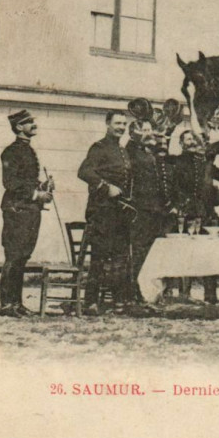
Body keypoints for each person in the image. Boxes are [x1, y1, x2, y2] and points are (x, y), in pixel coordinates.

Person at [0, 110, 53, 317]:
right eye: (29, 122)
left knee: (22, 257)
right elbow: (10, 183)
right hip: (16, 210)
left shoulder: (27, 150)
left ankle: (17, 303)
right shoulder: (11, 152)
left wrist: (43, 186)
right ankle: (7, 305)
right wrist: (36, 194)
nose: (34, 125)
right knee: (13, 256)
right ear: (19, 127)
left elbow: (26, 180)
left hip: (28, 211)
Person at [77, 111, 132, 315]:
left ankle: (118, 301)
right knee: (99, 256)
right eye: (117, 123)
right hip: (102, 211)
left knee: (119, 257)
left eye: (124, 124)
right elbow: (84, 172)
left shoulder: (123, 150)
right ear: (107, 124)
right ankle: (90, 302)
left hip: (120, 212)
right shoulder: (99, 148)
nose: (121, 127)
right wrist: (105, 187)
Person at [174, 130, 219, 303]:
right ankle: (184, 293)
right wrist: (180, 204)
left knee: (209, 254)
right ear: (181, 143)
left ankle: (210, 295)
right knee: (185, 254)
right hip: (186, 213)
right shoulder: (177, 162)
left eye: (193, 139)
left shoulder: (206, 164)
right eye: (187, 139)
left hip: (207, 214)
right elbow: (172, 187)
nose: (191, 142)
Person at [127, 120, 175, 307]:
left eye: (150, 129)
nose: (149, 133)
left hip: (156, 211)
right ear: (133, 133)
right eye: (144, 129)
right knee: (139, 252)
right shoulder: (131, 151)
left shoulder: (151, 152)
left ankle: (153, 293)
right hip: (141, 210)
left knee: (153, 252)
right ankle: (137, 293)